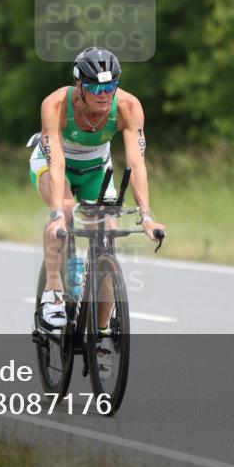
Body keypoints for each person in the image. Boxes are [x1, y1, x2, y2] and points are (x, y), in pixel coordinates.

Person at [29, 47, 166, 328]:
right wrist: (57, 212)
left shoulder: (128, 106)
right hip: (54, 165)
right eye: (95, 87)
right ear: (79, 84)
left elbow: (136, 164)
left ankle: (101, 334)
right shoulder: (55, 105)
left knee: (108, 236)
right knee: (65, 211)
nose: (104, 95)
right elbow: (56, 164)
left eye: (111, 86)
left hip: (95, 172)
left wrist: (147, 216)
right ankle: (53, 293)